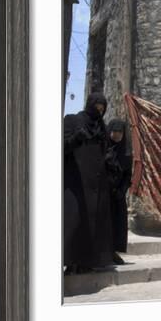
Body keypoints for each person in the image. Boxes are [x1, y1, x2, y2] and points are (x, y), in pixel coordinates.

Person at [63, 92, 113, 274]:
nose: (99, 112)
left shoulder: (102, 127)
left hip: (97, 184)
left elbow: (106, 151)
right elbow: (61, 148)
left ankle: (87, 262)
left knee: (93, 224)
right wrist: (76, 139)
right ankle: (70, 262)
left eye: (102, 109)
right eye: (96, 108)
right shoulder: (72, 121)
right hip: (76, 181)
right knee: (74, 222)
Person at [104, 118, 133, 265]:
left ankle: (114, 252)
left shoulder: (126, 153)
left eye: (120, 132)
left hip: (117, 195)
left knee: (117, 224)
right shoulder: (102, 148)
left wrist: (122, 190)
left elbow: (128, 175)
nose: (117, 135)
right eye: (115, 131)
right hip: (102, 194)